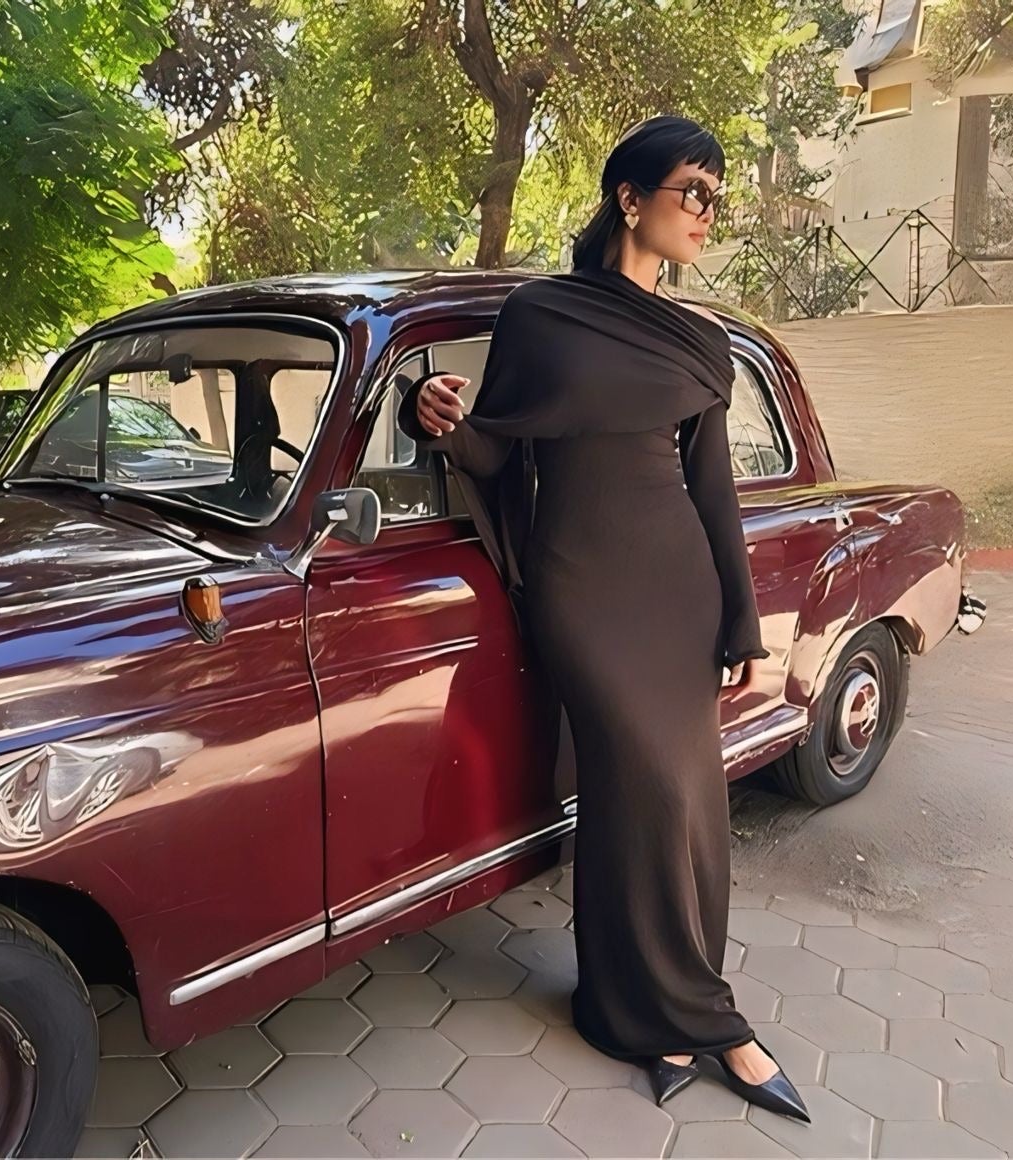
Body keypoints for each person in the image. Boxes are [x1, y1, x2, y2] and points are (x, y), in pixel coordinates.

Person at [404, 114, 809, 1122]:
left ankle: (645, 1011)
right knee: (645, 794)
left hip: (680, 587)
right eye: (695, 192)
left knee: (689, 807)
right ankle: (712, 1020)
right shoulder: (543, 313)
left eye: (720, 197)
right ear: (630, 197)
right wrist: (448, 425)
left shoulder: (700, 338)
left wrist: (744, 626)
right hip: (584, 587)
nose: (712, 213)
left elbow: (713, 493)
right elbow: (504, 451)